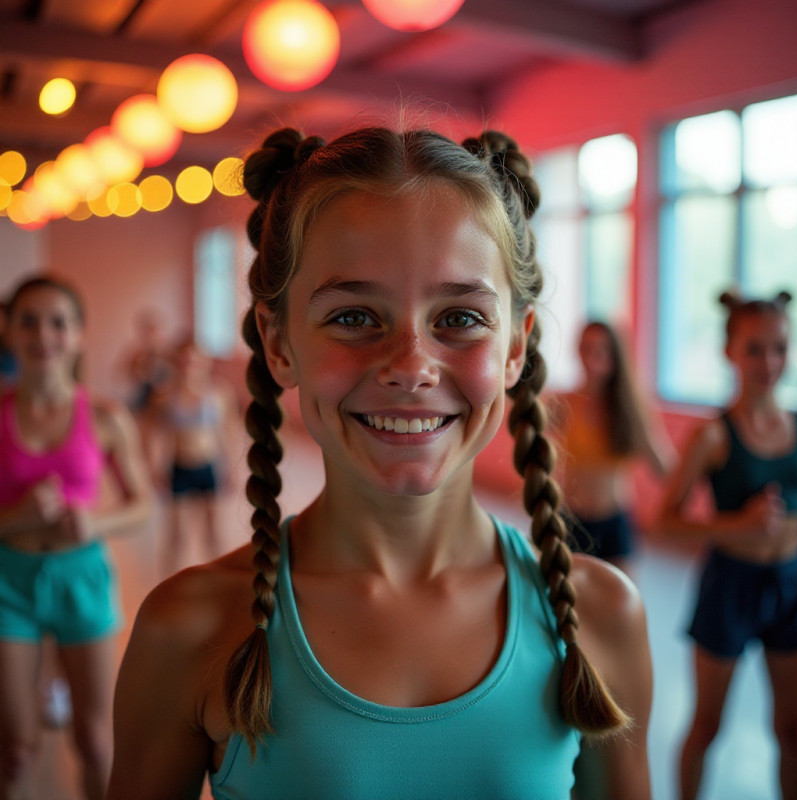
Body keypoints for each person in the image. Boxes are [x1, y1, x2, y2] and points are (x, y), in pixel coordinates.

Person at [108, 126, 652, 799]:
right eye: (354, 316)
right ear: (279, 345)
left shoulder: (600, 618)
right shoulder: (191, 629)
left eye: (459, 318)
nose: (410, 367)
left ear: (516, 346)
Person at [0, 275, 153, 800]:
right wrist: (17, 517)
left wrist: (96, 523)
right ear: (9, 331)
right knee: (15, 747)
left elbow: (143, 504)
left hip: (81, 578)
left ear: (79, 335)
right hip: (7, 582)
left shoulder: (107, 417)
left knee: (93, 740)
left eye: (58, 322)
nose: (43, 334)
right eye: (28, 320)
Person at [657, 290, 797, 800]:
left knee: (793, 731)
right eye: (756, 349)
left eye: (780, 348)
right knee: (707, 727)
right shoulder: (714, 437)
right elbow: (664, 523)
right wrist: (736, 524)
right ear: (730, 353)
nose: (770, 362)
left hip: (791, 585)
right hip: (730, 587)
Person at [552, 321, 673, 573]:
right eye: (586, 348)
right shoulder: (562, 404)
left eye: (601, 350)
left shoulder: (630, 412)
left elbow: (665, 472)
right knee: (567, 604)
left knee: (620, 605)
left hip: (614, 524)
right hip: (572, 521)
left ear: (615, 357)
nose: (592, 358)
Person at [143, 335, 240, 575]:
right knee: (175, 536)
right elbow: (148, 432)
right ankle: (166, 586)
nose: (189, 366)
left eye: (194, 360)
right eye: (184, 361)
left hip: (208, 467)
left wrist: (232, 468)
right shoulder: (164, 396)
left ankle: (222, 581)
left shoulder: (219, 393)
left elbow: (230, 433)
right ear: (176, 363)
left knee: (214, 533)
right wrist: (153, 468)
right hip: (179, 468)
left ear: (205, 362)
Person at [117, 308, 171, 416]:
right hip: (142, 400)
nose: (150, 335)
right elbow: (123, 373)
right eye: (147, 330)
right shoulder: (137, 354)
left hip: (163, 401)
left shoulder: (167, 352)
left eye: (153, 330)